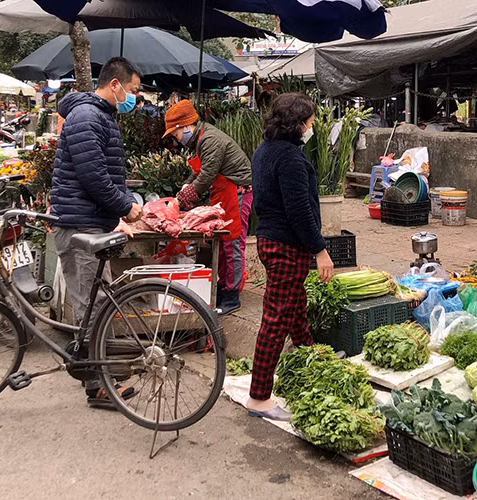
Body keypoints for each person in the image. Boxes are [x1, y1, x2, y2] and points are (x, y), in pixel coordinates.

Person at [49, 57, 143, 408]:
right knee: (93, 304)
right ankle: (98, 386)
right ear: (114, 84)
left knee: (95, 304)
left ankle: (98, 377)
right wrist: (125, 206)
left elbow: (101, 172)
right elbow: (93, 176)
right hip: (78, 224)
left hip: (88, 220)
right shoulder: (88, 117)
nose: (135, 97)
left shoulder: (101, 115)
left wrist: (116, 209)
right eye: (133, 90)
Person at [246, 93, 334, 420]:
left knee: (294, 306)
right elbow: (299, 212)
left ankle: (310, 357)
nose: (312, 126)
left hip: (270, 240)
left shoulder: (263, 151)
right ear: (298, 124)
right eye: (309, 121)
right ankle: (259, 397)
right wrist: (320, 250)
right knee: (275, 318)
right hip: (286, 244)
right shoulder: (290, 159)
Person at [163, 100, 253, 315]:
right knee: (223, 244)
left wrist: (181, 200)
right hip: (224, 192)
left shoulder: (210, 139)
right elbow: (198, 173)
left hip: (236, 192)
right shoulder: (201, 139)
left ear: (185, 127)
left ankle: (232, 296)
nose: (175, 139)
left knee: (231, 243)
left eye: (174, 134)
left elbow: (206, 176)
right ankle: (224, 287)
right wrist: (185, 185)